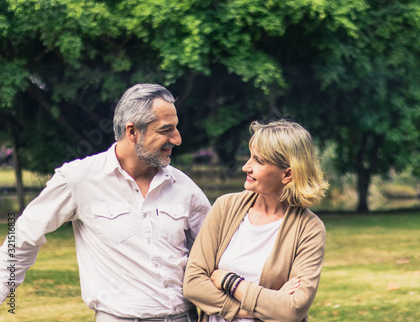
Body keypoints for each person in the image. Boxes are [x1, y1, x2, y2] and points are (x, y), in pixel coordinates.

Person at [0, 84, 211, 321]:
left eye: (176, 128)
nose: (178, 139)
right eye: (166, 130)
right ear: (132, 132)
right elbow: (23, 236)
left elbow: (215, 256)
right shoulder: (79, 179)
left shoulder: (185, 188)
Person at [183, 120, 329, 322]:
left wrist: (231, 282)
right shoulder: (225, 207)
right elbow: (193, 285)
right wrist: (260, 306)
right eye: (249, 157)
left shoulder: (309, 229)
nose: (246, 167)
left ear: (287, 174)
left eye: (258, 161)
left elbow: (292, 309)